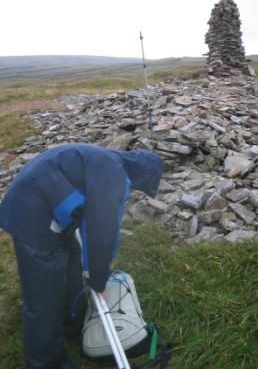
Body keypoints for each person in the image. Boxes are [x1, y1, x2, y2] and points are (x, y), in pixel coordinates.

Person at [0, 143, 163, 369]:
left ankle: (72, 326)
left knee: (72, 264)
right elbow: (102, 231)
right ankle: (46, 361)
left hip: (48, 205)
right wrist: (98, 279)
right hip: (31, 213)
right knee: (44, 295)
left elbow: (90, 218)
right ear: (140, 176)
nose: (135, 190)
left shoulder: (109, 161)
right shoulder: (114, 174)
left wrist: (91, 271)